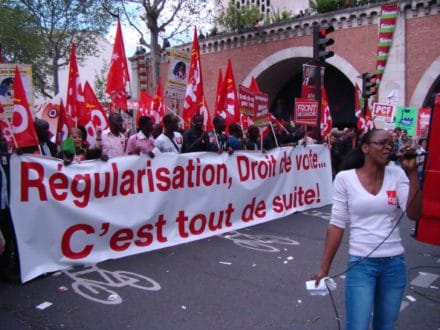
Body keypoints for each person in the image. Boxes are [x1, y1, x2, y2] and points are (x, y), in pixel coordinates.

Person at [312, 129, 422, 330]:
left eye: (391, 143)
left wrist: (413, 173)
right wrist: (324, 268)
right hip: (362, 265)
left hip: (394, 264)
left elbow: (414, 213)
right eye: (382, 143)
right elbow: (337, 224)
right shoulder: (345, 179)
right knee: (358, 326)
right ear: (365, 148)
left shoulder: (397, 174)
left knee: (385, 326)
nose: (388, 147)